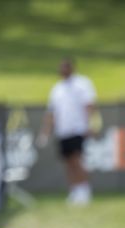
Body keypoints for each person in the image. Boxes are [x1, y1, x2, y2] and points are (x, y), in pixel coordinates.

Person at [37, 57, 97, 205]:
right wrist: (46, 131)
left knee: (77, 160)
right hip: (63, 131)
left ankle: (84, 190)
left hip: (77, 129)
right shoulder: (57, 89)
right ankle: (74, 190)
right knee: (68, 162)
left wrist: (90, 125)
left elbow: (89, 105)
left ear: (71, 68)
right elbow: (51, 112)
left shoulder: (82, 84)